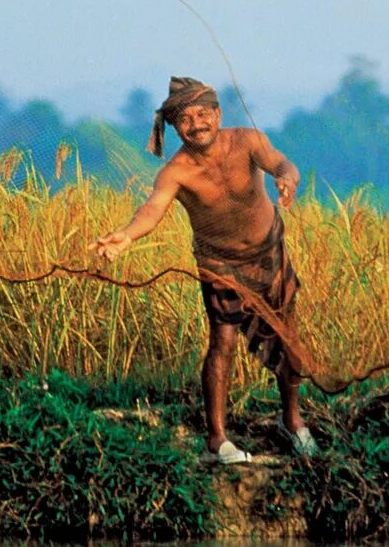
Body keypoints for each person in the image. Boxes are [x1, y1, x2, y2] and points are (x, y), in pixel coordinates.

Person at [92, 77, 318, 463]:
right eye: (184, 118)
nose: (196, 124)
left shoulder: (247, 141)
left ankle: (292, 421)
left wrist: (287, 177)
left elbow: (279, 161)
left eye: (202, 114)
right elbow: (151, 209)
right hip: (220, 263)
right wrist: (126, 236)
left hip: (268, 253)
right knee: (223, 342)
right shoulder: (176, 172)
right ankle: (217, 440)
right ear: (174, 126)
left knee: (286, 334)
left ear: (218, 114)